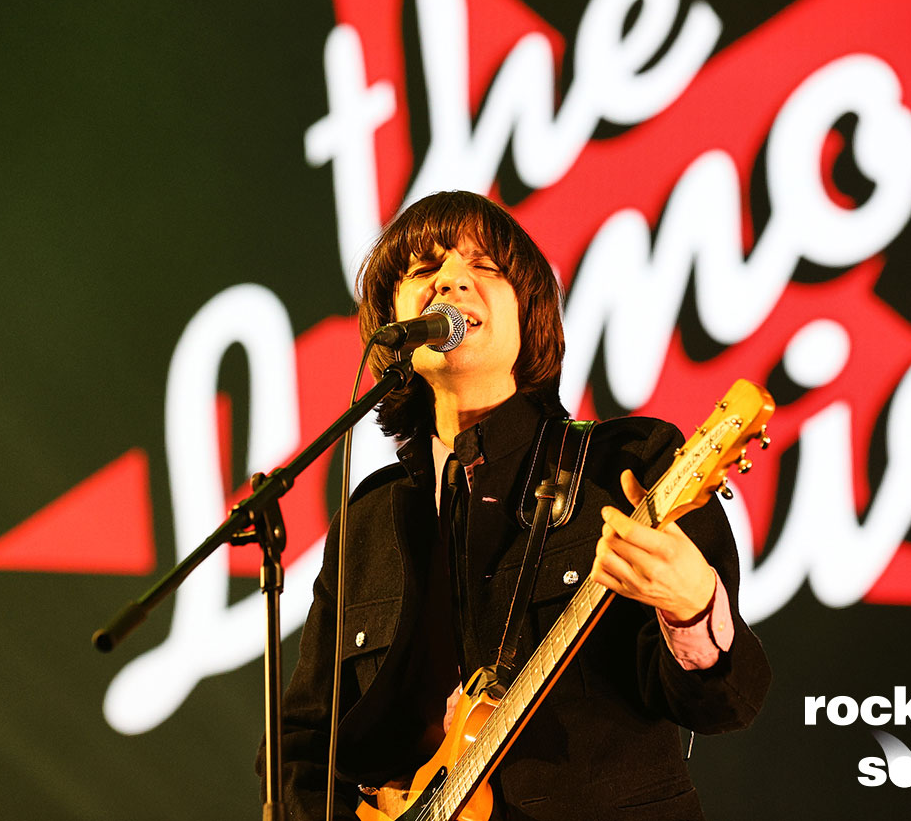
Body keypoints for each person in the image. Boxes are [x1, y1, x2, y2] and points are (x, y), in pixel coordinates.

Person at [268, 191, 771, 820]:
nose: (450, 280)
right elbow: (303, 745)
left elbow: (728, 702)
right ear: (392, 323)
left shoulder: (628, 466)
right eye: (424, 270)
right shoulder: (368, 520)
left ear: (529, 315)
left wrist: (693, 608)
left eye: (484, 266)